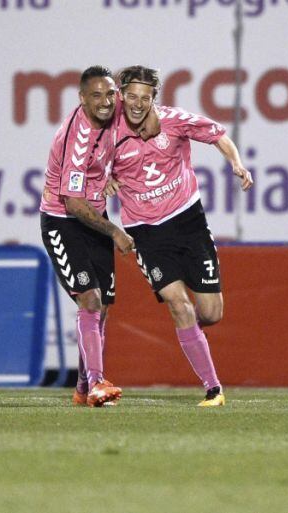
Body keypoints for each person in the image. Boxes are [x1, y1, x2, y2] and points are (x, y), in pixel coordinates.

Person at [106, 65, 253, 407]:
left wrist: (236, 163)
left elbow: (218, 135)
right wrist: (105, 181)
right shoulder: (109, 133)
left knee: (211, 313)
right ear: (121, 96)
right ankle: (213, 388)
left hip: (188, 221)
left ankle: (192, 333)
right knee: (178, 305)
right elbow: (91, 169)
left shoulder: (176, 120)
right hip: (145, 231)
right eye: (131, 96)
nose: (137, 103)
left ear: (154, 98)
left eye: (145, 97)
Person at [39, 65, 157, 407]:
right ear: (81, 99)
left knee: (101, 308)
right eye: (96, 96)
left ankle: (82, 387)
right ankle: (97, 382)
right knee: (89, 300)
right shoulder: (74, 140)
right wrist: (116, 232)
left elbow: (141, 107)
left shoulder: (117, 106)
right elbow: (73, 204)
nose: (106, 102)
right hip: (65, 221)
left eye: (110, 94)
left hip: (95, 216)